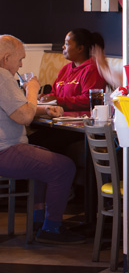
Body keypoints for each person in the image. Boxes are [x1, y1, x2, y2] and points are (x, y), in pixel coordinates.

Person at [0, 35, 82, 244]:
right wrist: (32, 89)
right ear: (5, 58)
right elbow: (25, 116)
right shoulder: (2, 76)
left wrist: (45, 109)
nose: (20, 65)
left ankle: (39, 221)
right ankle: (51, 228)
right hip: (5, 151)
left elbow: (16, 109)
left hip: (6, 148)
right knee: (63, 167)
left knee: (43, 158)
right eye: (19, 60)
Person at [40, 28, 108, 112]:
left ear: (80, 48)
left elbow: (87, 100)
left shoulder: (93, 70)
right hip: (58, 116)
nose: (63, 46)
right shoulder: (65, 69)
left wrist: (58, 101)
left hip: (81, 120)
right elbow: (54, 93)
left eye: (67, 44)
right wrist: (44, 98)